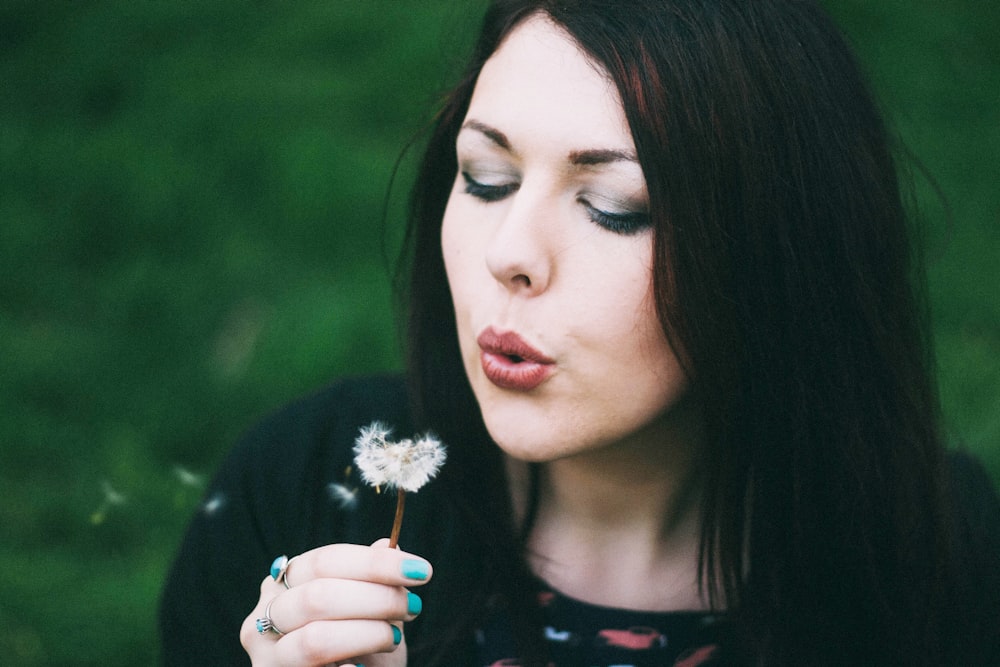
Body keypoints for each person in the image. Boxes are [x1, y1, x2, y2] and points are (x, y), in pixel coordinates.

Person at [159, 1, 1000, 665]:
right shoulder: (307, 491)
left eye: (613, 208)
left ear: (773, 250)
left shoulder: (938, 563)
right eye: (486, 178)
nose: (510, 252)